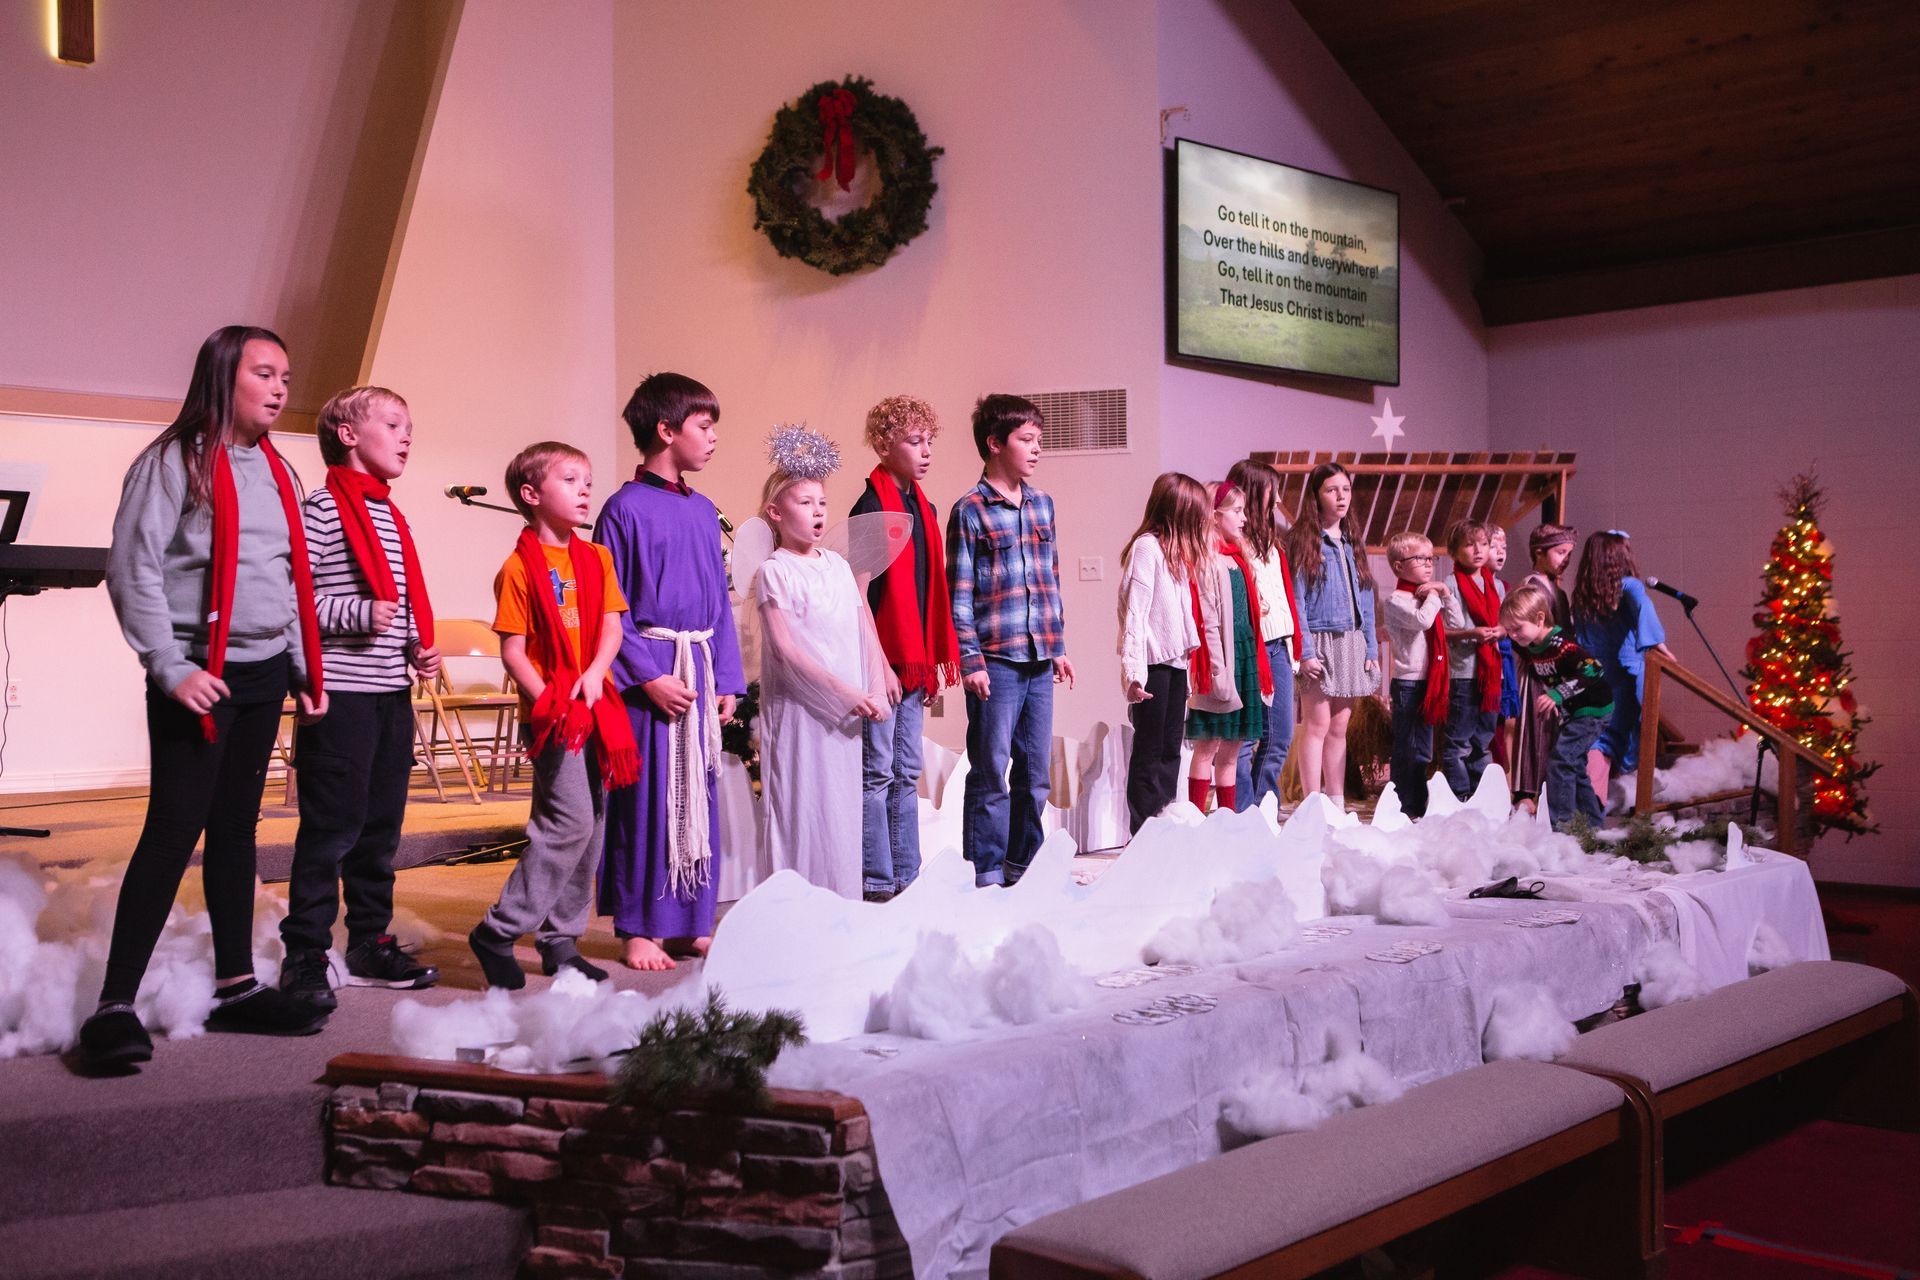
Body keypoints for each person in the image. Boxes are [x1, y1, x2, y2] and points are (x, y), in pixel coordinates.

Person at [85, 325, 329, 1069]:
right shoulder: (171, 463)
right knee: (174, 828)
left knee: (236, 830)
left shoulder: (280, 472)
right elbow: (134, 571)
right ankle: (114, 1005)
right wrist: (168, 666)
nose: (282, 386)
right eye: (265, 373)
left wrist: (298, 665)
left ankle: (236, 986)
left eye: (286, 374)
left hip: (260, 674)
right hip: (199, 673)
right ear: (226, 379)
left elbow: (285, 578)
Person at [279, 386, 442, 1010]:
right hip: (341, 696)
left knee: (380, 829)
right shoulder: (322, 510)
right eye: (394, 423)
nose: (407, 435)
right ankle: (306, 952)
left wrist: (415, 646)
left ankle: (369, 941)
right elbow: (299, 604)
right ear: (348, 435)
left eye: (409, 425)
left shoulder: (390, 514)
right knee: (332, 829)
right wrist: (359, 612)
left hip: (389, 694)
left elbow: (396, 609)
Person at [469, 443, 637, 989]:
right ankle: (498, 928)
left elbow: (612, 626)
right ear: (532, 495)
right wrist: (551, 699)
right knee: (565, 822)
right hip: (555, 714)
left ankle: (560, 939)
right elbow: (513, 650)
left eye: (587, 479)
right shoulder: (518, 567)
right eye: (571, 479)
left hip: (598, 704)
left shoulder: (597, 558)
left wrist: (595, 673)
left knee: (593, 826)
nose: (585, 488)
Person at [595, 374, 744, 970]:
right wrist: (645, 677)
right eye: (703, 427)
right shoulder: (622, 509)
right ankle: (637, 925)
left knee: (696, 796)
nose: (712, 439)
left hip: (699, 665)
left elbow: (719, 605)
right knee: (647, 799)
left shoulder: (705, 510)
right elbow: (613, 607)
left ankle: (686, 922)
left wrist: (727, 678)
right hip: (652, 669)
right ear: (666, 430)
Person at [753, 428, 892, 899]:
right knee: (800, 801)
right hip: (801, 712)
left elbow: (862, 626)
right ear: (776, 512)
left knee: (839, 805)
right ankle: (795, 903)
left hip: (847, 710)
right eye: (804, 502)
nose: (817, 512)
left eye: (821, 503)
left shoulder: (836, 564)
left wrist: (875, 681)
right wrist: (845, 691)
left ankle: (840, 901)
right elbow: (786, 651)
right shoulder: (775, 570)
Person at [947, 394, 1073, 887]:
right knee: (990, 770)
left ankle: (1027, 867)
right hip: (996, 660)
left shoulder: (1043, 505)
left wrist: (1058, 646)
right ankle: (986, 872)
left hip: (1040, 657)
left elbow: (1050, 581)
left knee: (1035, 775)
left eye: (1039, 440)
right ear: (995, 443)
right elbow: (959, 595)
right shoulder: (970, 511)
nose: (1036, 449)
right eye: (1026, 439)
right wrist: (970, 659)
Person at [848, 396, 958, 901]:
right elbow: (859, 594)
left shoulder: (925, 507)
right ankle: (876, 878)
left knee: (906, 771)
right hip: (882, 661)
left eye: (929, 440)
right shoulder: (871, 506)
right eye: (915, 442)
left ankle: (906, 876)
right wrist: (880, 668)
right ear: (883, 445)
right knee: (877, 772)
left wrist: (923, 661)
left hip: (912, 666)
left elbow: (928, 589)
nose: (926, 451)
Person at [1117, 473, 1206, 831]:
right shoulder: (1147, 548)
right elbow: (1135, 615)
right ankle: (1144, 833)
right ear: (1177, 511)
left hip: (1173, 664)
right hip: (1152, 666)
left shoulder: (1176, 556)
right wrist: (1134, 673)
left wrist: (1186, 665)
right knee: (1149, 752)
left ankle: (1165, 825)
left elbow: (1179, 618)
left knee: (1171, 750)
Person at [1286, 462, 1378, 806]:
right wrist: (1306, 651)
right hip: (1320, 641)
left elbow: (1366, 598)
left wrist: (1370, 646)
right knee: (1318, 724)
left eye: (1346, 489)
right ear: (1316, 495)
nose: (1341, 497)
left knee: (1340, 726)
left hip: (1351, 640)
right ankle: (1312, 804)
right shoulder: (1305, 540)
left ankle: (1335, 801)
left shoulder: (1353, 540)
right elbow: (1297, 601)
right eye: (1331, 490)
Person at [1184, 481, 1273, 813]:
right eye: (1237, 511)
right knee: (1208, 743)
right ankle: (1194, 816)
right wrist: (1218, 672)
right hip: (1222, 658)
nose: (1244, 519)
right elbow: (1208, 620)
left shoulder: (1239, 558)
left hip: (1245, 651)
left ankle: (1227, 817)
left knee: (1234, 746)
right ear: (1214, 514)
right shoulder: (1207, 560)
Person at [1572, 530, 1674, 810]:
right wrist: (1659, 644)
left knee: (1601, 739)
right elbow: (1644, 609)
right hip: (1626, 677)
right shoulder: (1630, 586)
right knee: (1612, 740)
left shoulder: (1582, 595)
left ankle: (1597, 806)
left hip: (1594, 678)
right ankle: (1594, 809)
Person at [1225, 459, 1304, 811]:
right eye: (1272, 489)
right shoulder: (1233, 541)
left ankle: (1263, 811)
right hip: (1251, 648)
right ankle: (1241, 815)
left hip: (1279, 645)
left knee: (1280, 736)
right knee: (1245, 738)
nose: (1277, 498)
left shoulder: (1272, 542)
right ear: (1256, 491)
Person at [1503, 585, 1613, 829]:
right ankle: (1594, 827)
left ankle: (1563, 826)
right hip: (1575, 713)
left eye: (1517, 628)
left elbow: (1594, 669)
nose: (1513, 636)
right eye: (1509, 630)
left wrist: (1557, 694)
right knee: (1574, 765)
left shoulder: (1562, 645)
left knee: (1559, 762)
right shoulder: (1532, 645)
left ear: (1540, 618)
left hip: (1593, 710)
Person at [1382, 530, 1451, 819]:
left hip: (1429, 682)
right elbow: (1423, 621)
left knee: (1422, 749)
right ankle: (1403, 806)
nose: (1428, 564)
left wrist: (1443, 594)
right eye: (1420, 558)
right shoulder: (1396, 600)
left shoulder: (1428, 597)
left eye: (1430, 558)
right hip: (1409, 683)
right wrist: (1437, 593)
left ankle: (1417, 806)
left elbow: (1450, 620)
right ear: (1399, 566)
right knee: (1408, 748)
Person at [1509, 523, 1577, 809]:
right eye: (1560, 552)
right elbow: (1518, 629)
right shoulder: (1534, 586)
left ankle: (1547, 795)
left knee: (1550, 733)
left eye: (1568, 553)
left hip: (1555, 670)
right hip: (1537, 670)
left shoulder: (1556, 590)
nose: (1566, 559)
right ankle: (1526, 792)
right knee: (1533, 730)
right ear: (1539, 552)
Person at [1437, 520, 1504, 799]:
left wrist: (1500, 630)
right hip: (1464, 672)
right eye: (1469, 544)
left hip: (1491, 672)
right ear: (1454, 550)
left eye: (1483, 544)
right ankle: (1460, 797)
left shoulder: (1496, 584)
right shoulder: (1449, 584)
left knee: (1483, 740)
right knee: (1458, 742)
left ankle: (1481, 798)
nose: (1477, 550)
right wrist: (1471, 633)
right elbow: (1441, 631)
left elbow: (1505, 622)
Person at [1487, 525, 1521, 777]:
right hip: (1484, 662)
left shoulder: (1505, 586)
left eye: (1504, 548)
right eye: (1493, 547)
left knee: (1502, 725)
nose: (1501, 553)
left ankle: (1503, 781)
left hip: (1504, 660)